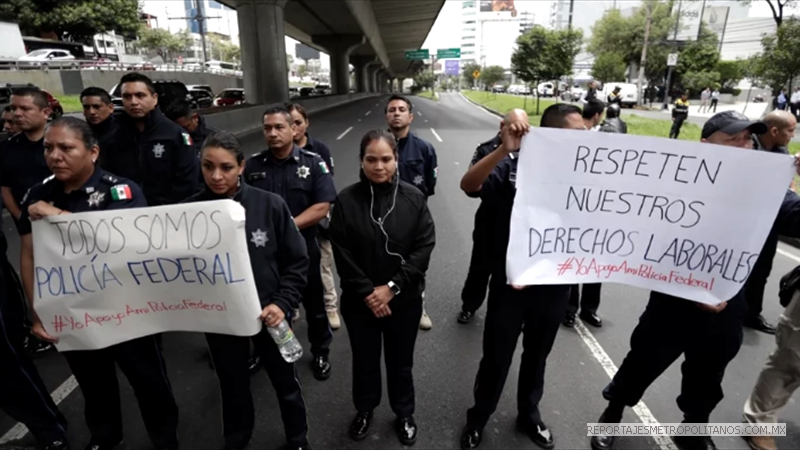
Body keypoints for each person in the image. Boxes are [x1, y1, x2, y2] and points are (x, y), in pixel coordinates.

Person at [589, 110, 800, 450]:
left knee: (707, 375)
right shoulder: (675, 182)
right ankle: (613, 413)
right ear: (705, 145)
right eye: (733, 139)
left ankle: (693, 430)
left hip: (727, 303)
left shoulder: (767, 188)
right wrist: (692, 289)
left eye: (748, 139)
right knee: (643, 361)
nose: (744, 146)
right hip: (672, 299)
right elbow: (645, 239)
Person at [19, 117, 180, 450]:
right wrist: (37, 313)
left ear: (92, 152)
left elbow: (125, 244)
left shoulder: (120, 191)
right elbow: (30, 256)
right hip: (75, 313)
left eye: (66, 148)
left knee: (150, 384)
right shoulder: (38, 194)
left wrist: (57, 216)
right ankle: (106, 438)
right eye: (49, 148)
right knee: (94, 386)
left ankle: (166, 441)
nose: (55, 156)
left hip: (129, 313)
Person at [458, 104, 585, 450]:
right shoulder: (513, 164)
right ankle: (478, 417)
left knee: (537, 357)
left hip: (555, 285)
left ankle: (529, 414)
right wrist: (504, 147)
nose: (585, 139)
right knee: (497, 357)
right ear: (553, 133)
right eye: (577, 133)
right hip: (512, 283)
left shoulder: (588, 171)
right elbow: (470, 185)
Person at [185, 130, 312, 450]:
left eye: (226, 167)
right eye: (207, 166)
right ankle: (237, 440)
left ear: (241, 166)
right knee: (232, 385)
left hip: (271, 315)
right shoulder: (186, 214)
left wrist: (283, 303)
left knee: (286, 383)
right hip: (221, 320)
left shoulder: (270, 205)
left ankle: (297, 439)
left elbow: (297, 261)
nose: (216, 176)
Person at [329, 129, 436, 446]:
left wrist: (391, 288)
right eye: (371, 159)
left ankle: (404, 413)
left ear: (396, 159)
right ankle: (364, 409)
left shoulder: (414, 199)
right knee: (364, 360)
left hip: (403, 301)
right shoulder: (346, 201)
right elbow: (341, 251)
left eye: (386, 159)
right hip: (360, 302)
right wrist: (369, 293)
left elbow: (423, 248)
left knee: (401, 363)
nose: (379, 166)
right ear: (361, 161)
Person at [244, 104, 336, 381]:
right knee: (264, 303)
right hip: (263, 252)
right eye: (267, 128)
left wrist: (286, 227)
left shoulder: (313, 163)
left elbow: (322, 207)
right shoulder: (253, 166)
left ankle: (320, 350)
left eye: (279, 127)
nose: (272, 133)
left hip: (302, 250)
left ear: (294, 129)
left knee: (314, 305)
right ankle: (263, 350)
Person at [457, 108, 528, 324]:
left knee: (507, 277)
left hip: (519, 228)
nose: (519, 134)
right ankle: (469, 305)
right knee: (480, 268)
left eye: (524, 130)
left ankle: (501, 314)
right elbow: (471, 188)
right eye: (515, 128)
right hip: (491, 222)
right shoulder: (488, 150)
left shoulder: (535, 150)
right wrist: (503, 151)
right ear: (502, 126)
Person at [103, 73, 199, 206]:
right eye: (127, 96)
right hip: (126, 213)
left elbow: (188, 181)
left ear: (154, 99)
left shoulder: (175, 135)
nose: (134, 102)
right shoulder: (113, 138)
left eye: (140, 95)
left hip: (168, 214)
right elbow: (106, 179)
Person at [384, 94, 438, 331]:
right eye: (392, 109)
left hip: (414, 218)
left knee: (416, 263)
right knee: (383, 261)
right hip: (382, 217)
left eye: (401, 109)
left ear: (410, 116)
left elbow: (429, 185)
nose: (396, 113)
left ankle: (418, 307)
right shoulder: (376, 144)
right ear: (386, 116)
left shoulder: (425, 149)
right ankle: (383, 301)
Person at [286, 102, 340, 330]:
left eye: (298, 122)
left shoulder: (320, 150)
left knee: (323, 265)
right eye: (289, 123)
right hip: (289, 226)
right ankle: (293, 304)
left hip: (318, 222)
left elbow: (326, 189)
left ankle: (330, 306)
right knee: (289, 267)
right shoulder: (277, 154)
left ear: (306, 123)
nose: (293, 128)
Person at [744, 110, 798, 335]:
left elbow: (786, 187)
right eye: (790, 131)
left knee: (762, 267)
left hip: (767, 219)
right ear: (774, 131)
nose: (792, 136)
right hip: (744, 218)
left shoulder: (781, 152)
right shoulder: (747, 146)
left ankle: (750, 313)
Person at [0, 87, 52, 230]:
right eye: (13, 108)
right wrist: (21, 217)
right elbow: (5, 188)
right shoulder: (6, 149)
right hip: (27, 227)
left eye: (25, 108)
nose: (17, 114)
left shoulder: (63, 144)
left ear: (46, 112)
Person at [80, 87, 118, 165]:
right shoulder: (79, 133)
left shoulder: (123, 133)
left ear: (111, 108)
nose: (91, 112)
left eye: (97, 107)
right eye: (86, 107)